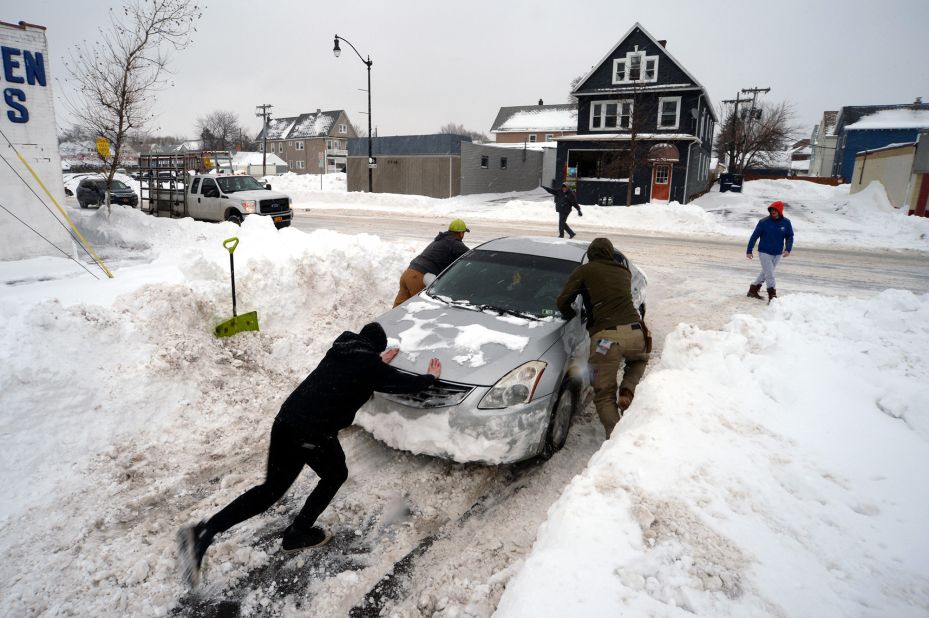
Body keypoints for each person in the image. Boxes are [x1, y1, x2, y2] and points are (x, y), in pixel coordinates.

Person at [176, 322, 441, 587]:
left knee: (272, 488)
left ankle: (205, 529)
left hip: (287, 420)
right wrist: (430, 378)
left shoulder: (342, 352)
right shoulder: (368, 366)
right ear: (376, 350)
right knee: (333, 474)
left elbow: (364, 370)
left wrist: (376, 362)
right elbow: (399, 383)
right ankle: (295, 534)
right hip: (311, 432)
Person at [556, 237, 650, 439]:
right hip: (635, 331)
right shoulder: (624, 272)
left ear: (590, 255)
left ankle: (618, 440)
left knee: (604, 393)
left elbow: (563, 299)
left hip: (606, 340)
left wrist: (569, 313)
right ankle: (627, 390)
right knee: (639, 360)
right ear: (610, 254)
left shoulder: (585, 270)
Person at [393, 219, 470, 307]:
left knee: (397, 309)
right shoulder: (454, 243)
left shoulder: (440, 240)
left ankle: (387, 321)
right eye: (463, 233)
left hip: (408, 273)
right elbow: (471, 256)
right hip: (419, 277)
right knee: (420, 308)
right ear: (461, 233)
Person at [746, 200, 794, 303]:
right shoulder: (764, 222)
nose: (773, 212)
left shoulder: (786, 222)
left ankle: (753, 289)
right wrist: (749, 250)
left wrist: (788, 249)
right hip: (764, 251)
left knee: (766, 272)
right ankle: (772, 296)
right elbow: (754, 236)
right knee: (770, 274)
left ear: (779, 211)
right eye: (771, 210)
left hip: (778, 253)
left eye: (775, 210)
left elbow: (789, 236)